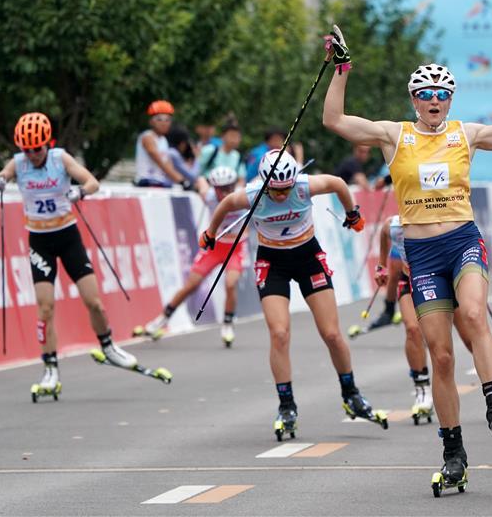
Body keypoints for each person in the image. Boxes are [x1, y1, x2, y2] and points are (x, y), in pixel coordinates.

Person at [322, 23, 492, 489]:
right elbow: (335, 121)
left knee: (474, 315)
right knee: (440, 357)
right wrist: (341, 69)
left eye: (442, 93)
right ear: (414, 100)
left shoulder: (466, 134)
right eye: (425, 94)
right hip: (421, 252)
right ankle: (453, 451)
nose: (434, 100)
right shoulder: (394, 135)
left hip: (462, 241)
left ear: (451, 99)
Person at [199, 149, 383, 440]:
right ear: (266, 184)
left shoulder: (303, 186)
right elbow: (226, 203)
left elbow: (337, 183)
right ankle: (286, 406)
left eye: (287, 188)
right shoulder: (252, 194)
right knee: (279, 334)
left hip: (307, 257)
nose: (283, 194)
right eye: (277, 190)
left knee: (331, 333)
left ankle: (351, 393)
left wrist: (352, 213)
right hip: (273, 263)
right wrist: (210, 233)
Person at [0, 113, 139, 398]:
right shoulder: (18, 163)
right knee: (45, 309)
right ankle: (50, 368)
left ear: (47, 144)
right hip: (39, 241)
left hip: (68, 237)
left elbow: (92, 182)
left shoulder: (60, 158)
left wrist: (81, 192)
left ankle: (108, 347)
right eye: (27, 149)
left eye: (37, 148)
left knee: (93, 302)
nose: (33, 155)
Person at [373, 214, 492, 425]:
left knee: (470, 337)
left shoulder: (437, 217)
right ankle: (422, 392)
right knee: (412, 329)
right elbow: (385, 243)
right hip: (411, 279)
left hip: (440, 277)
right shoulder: (392, 225)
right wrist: (381, 267)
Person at [136, 166, 248, 347]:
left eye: (229, 187)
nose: (225, 192)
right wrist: (197, 181)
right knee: (191, 285)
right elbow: (201, 182)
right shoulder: (209, 196)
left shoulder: (243, 197)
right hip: (215, 246)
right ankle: (162, 319)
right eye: (220, 189)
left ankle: (227, 324)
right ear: (215, 188)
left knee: (230, 283)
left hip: (236, 246)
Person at [135, 100, 192, 189]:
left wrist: (184, 181)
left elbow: (168, 164)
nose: (163, 123)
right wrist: (182, 181)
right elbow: (162, 163)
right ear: (151, 122)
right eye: (159, 119)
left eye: (167, 120)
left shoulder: (163, 140)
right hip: (147, 182)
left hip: (160, 182)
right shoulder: (147, 137)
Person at [196, 116, 245, 193]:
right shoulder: (209, 151)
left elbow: (241, 179)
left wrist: (236, 191)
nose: (234, 139)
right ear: (222, 137)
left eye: (237, 137)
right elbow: (197, 172)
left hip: (229, 192)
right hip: (208, 191)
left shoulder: (237, 156)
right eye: (232, 136)